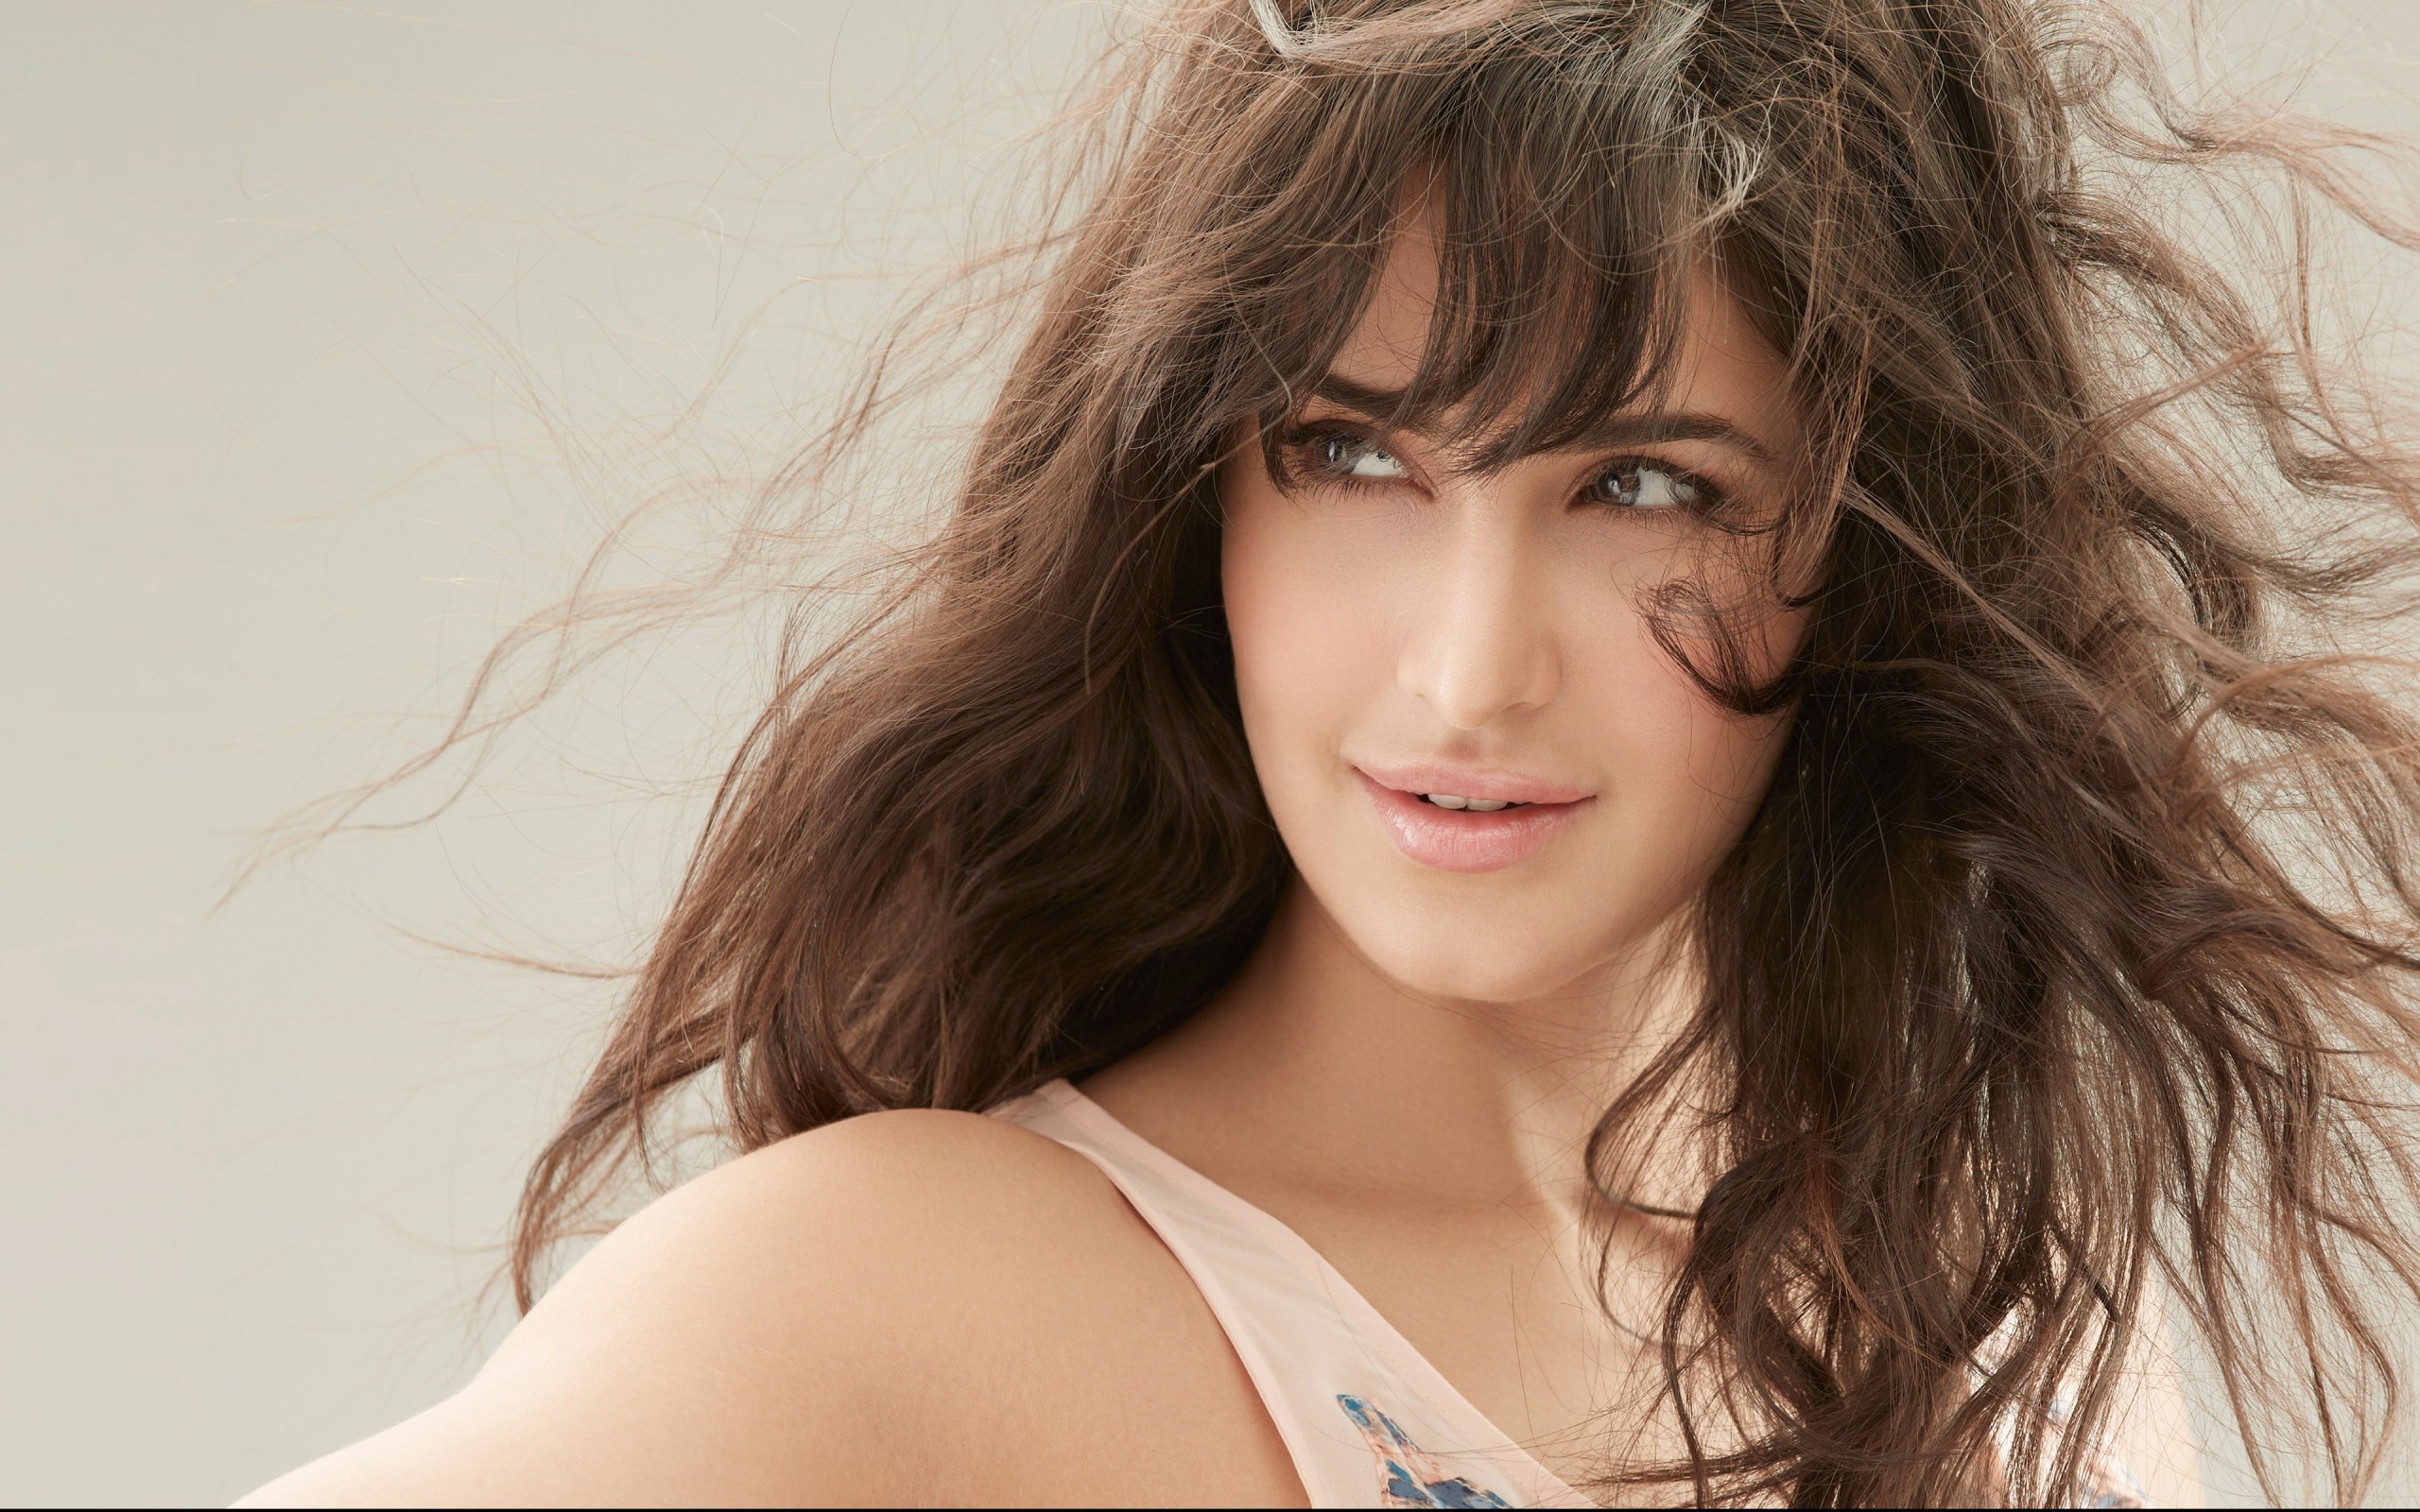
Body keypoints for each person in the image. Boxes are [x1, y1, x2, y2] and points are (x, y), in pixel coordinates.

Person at [244, 0, 2420, 1503]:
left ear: (1871, 544)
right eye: (1352, 453)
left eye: (1641, 484)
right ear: (1192, 491)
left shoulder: (2001, 1327)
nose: (1465, 673)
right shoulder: (899, 1293)